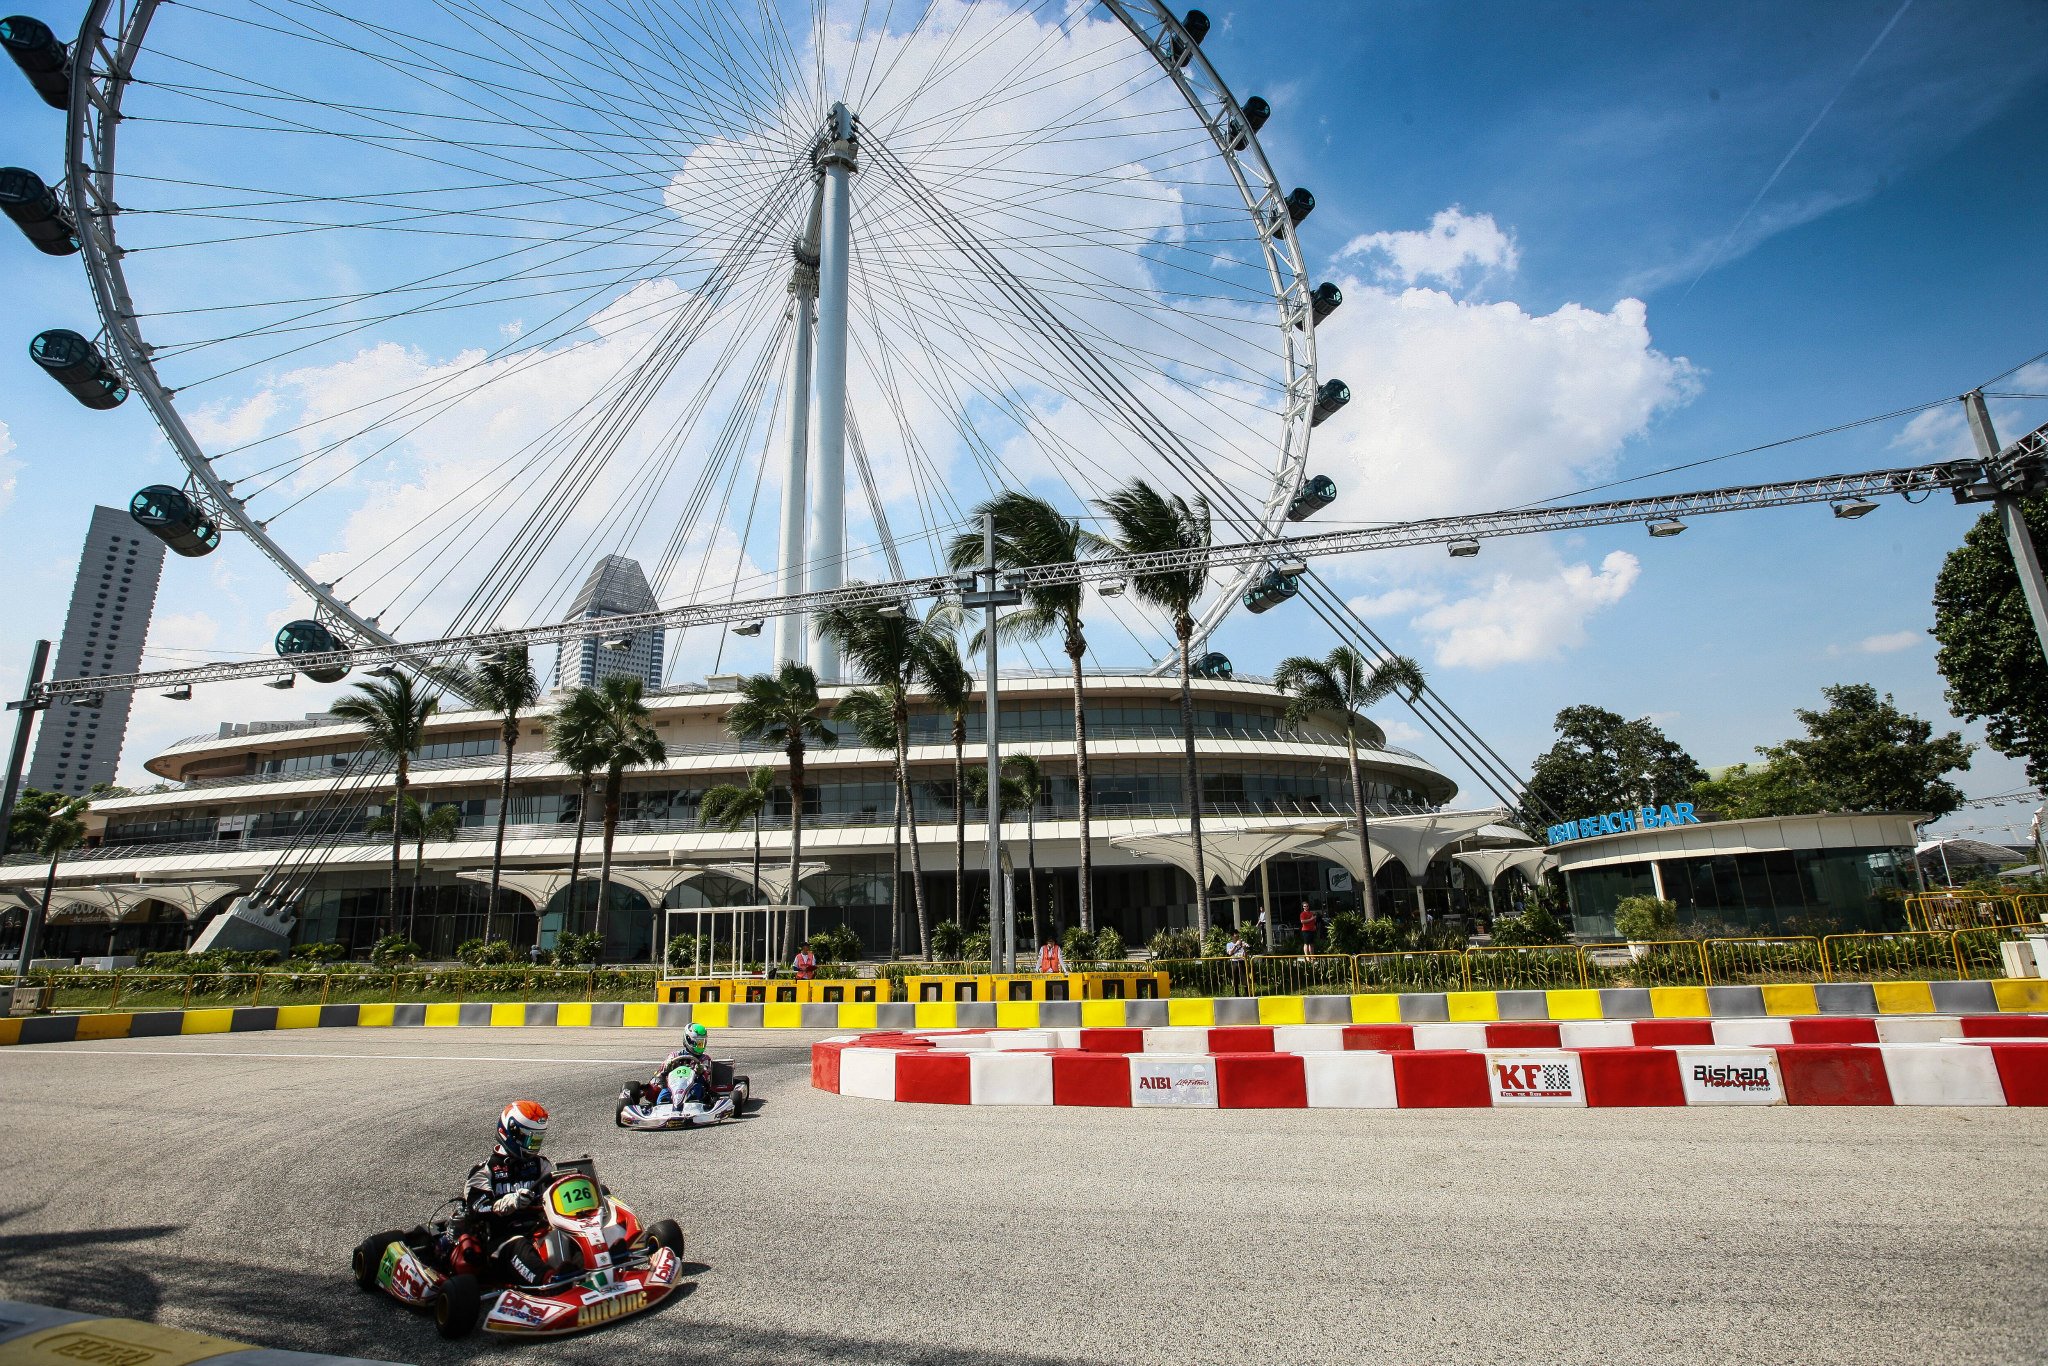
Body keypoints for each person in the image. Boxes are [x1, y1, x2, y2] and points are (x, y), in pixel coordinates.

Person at [449, 1100, 556, 1285]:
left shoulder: (541, 1165)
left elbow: (556, 1194)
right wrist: (510, 1202)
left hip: (538, 1231)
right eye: (530, 1139)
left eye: (538, 1139)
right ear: (511, 1133)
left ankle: (592, 1268)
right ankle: (551, 1283)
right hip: (501, 1242)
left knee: (567, 1233)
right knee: (519, 1245)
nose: (533, 1146)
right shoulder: (485, 1171)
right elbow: (477, 1209)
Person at [654, 1022, 712, 1109]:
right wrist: (667, 1066)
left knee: (697, 1088)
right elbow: (660, 1073)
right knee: (665, 1091)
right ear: (689, 1040)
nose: (700, 1046)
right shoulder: (674, 1055)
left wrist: (701, 1070)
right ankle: (662, 1106)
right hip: (673, 1086)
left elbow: (707, 1077)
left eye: (702, 1043)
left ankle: (693, 1104)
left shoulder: (705, 1058)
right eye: (698, 1043)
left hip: (694, 1085)